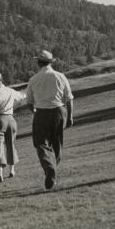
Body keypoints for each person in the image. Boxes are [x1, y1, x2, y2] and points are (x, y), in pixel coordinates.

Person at [26, 50, 74, 190]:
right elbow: (69, 99)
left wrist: (35, 112)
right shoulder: (61, 76)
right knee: (57, 143)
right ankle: (52, 170)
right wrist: (70, 116)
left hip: (41, 113)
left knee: (41, 144)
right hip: (59, 111)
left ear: (39, 63)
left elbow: (29, 102)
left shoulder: (33, 79)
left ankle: (49, 168)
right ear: (51, 62)